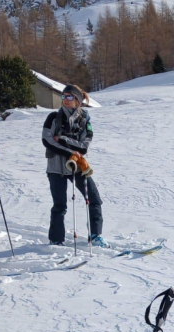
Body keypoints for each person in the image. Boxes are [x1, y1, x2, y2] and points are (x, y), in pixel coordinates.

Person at [41, 84, 108, 248]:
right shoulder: (52, 117)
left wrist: (63, 140)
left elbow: (84, 146)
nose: (65, 100)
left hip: (78, 166)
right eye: (63, 96)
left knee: (94, 199)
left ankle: (95, 235)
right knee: (60, 205)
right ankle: (56, 240)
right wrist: (70, 151)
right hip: (56, 167)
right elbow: (47, 140)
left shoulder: (85, 119)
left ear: (77, 100)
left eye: (70, 97)